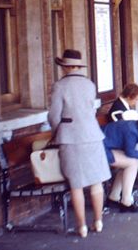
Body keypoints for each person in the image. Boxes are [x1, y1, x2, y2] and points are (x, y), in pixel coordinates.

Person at [48, 49, 111, 238]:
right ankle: (98, 221)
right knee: (96, 181)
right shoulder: (89, 84)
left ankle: (82, 226)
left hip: (71, 138)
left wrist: (57, 131)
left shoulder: (59, 86)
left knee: (76, 184)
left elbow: (54, 115)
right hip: (93, 135)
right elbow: (90, 110)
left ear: (64, 67)